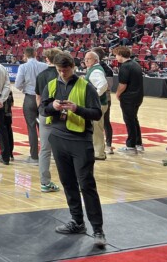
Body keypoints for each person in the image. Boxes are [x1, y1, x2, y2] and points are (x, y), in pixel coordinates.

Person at [41, 52, 106, 248]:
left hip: (80, 141)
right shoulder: (52, 84)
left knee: (86, 184)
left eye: (66, 70)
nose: (62, 74)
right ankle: (77, 222)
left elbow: (96, 113)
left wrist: (77, 109)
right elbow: (44, 109)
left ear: (73, 67)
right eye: (59, 70)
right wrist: (52, 106)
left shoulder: (85, 86)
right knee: (68, 183)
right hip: (59, 139)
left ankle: (98, 229)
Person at [13, 46, 48, 163]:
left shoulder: (23, 67)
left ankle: (34, 156)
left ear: (25, 55)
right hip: (43, 98)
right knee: (44, 126)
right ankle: (46, 155)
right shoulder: (44, 66)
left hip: (29, 97)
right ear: (36, 53)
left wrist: (25, 89)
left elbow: (17, 84)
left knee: (31, 127)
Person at [35, 48, 62, 193]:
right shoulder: (63, 73)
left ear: (47, 59)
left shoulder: (41, 75)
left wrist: (41, 112)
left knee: (45, 150)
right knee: (67, 149)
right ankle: (74, 181)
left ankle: (45, 182)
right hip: (62, 115)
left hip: (45, 114)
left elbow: (38, 98)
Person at [113, 46, 144, 153]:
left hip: (128, 98)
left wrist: (117, 94)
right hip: (138, 96)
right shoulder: (136, 64)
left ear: (121, 55)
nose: (115, 57)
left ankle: (131, 146)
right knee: (134, 119)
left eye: (116, 55)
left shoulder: (125, 67)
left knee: (129, 121)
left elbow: (123, 84)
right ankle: (138, 143)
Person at [82, 51, 109, 160]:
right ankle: (96, 151)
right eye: (85, 58)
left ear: (96, 60)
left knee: (97, 129)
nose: (86, 60)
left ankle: (99, 153)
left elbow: (103, 85)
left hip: (98, 104)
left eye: (89, 58)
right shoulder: (93, 69)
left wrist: (95, 97)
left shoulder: (96, 71)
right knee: (95, 128)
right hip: (98, 104)